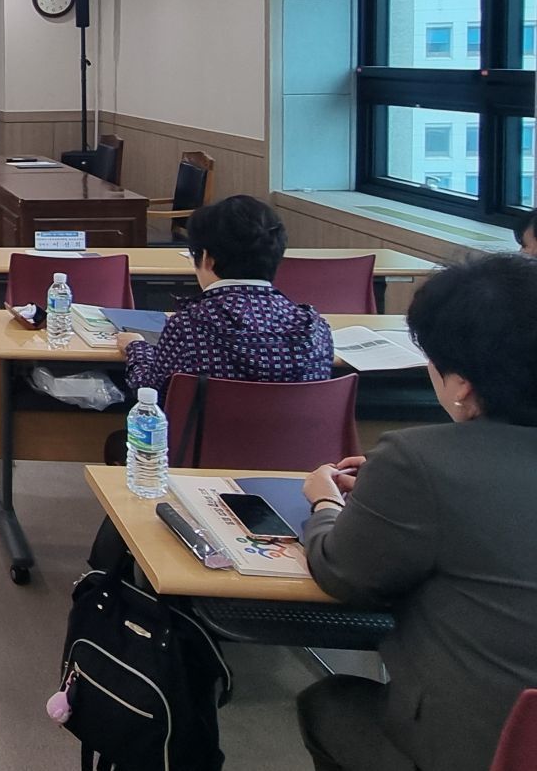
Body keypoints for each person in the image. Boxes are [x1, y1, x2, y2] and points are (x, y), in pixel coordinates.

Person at [296, 253, 537, 771]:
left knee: (328, 703)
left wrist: (325, 502)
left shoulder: (418, 459)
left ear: (462, 385)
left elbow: (343, 573)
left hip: (482, 748)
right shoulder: (419, 467)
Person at [114, 194, 333, 391]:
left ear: (207, 258)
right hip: (297, 426)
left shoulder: (188, 325)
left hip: (202, 426)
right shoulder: (315, 327)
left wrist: (137, 348)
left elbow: (149, 390)